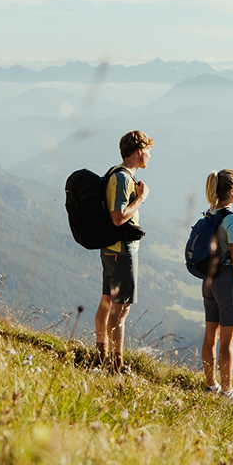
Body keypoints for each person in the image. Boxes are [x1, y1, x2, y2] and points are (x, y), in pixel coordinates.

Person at [95, 130, 154, 372]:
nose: (149, 156)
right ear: (140, 151)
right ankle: (116, 366)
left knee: (107, 303)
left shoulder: (116, 173)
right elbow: (118, 217)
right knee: (120, 310)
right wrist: (141, 198)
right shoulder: (122, 179)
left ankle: (102, 356)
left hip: (111, 250)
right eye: (148, 151)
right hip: (121, 252)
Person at [201, 169, 233, 403]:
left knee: (210, 334)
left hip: (209, 280)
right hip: (227, 282)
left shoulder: (210, 215)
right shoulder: (232, 220)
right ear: (232, 191)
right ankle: (227, 392)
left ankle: (211, 385)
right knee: (228, 340)